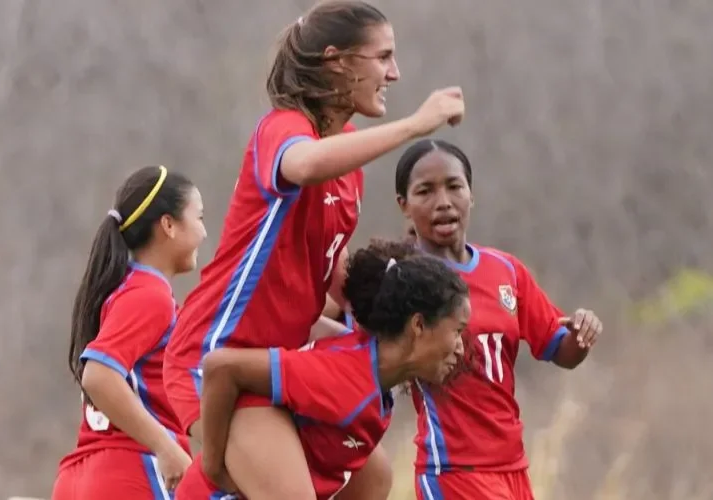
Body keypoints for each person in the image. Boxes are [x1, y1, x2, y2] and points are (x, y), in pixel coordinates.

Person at [163, 1, 465, 497]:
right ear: (337, 61)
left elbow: (330, 271)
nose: (395, 72)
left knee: (373, 479)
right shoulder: (283, 129)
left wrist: (401, 327)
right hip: (218, 358)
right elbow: (303, 165)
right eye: (383, 57)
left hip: (279, 358)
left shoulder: (346, 159)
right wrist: (416, 125)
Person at [174, 238, 470, 499]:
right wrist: (213, 465)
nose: (460, 347)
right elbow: (221, 366)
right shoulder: (340, 376)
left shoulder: (371, 374)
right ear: (418, 325)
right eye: (457, 331)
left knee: (377, 474)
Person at [393, 140, 604, 500]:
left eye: (454, 186)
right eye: (425, 191)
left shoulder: (506, 270)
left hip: (513, 468)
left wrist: (582, 333)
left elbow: (559, 349)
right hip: (454, 472)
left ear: (471, 195)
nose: (443, 201)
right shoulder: (403, 279)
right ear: (404, 205)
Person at [52, 166, 207, 500]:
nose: (205, 233)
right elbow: (99, 375)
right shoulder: (150, 295)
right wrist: (165, 448)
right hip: (130, 473)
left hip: (84, 476)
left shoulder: (124, 289)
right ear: (168, 225)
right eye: (199, 218)